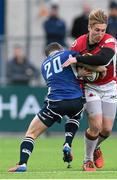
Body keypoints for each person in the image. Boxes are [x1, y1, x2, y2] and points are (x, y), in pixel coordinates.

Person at [8, 42, 85, 172]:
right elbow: (84, 60)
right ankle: (67, 143)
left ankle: (22, 163)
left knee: (31, 133)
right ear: (60, 49)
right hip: (76, 99)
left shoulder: (44, 65)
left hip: (56, 102)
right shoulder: (67, 54)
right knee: (75, 115)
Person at [62, 9, 117, 171]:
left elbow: (103, 59)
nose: (100, 34)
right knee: (96, 126)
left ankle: (95, 148)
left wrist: (78, 59)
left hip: (110, 87)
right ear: (89, 27)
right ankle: (87, 160)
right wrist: (79, 71)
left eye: (103, 30)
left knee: (106, 130)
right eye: (97, 30)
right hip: (90, 87)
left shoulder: (110, 40)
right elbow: (68, 66)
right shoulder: (78, 44)